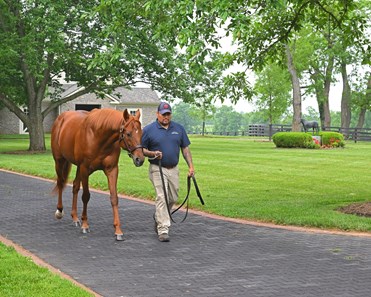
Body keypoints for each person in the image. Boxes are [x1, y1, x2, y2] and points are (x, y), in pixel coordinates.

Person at [142, 102, 195, 242]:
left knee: (173, 198)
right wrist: (153, 153)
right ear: (157, 114)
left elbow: (185, 149)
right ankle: (163, 229)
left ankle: (159, 216)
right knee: (162, 197)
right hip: (157, 168)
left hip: (174, 168)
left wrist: (191, 167)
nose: (166, 116)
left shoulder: (179, 128)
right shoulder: (148, 130)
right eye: (163, 114)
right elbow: (142, 150)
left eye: (168, 114)